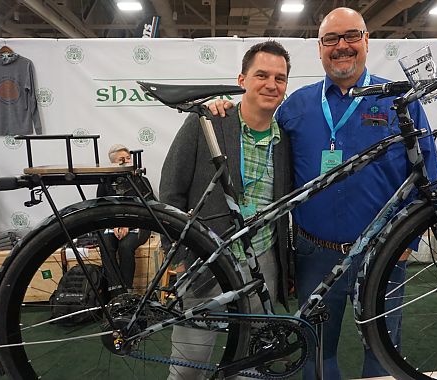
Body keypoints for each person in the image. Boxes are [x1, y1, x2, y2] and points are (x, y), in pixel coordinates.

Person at [210, 8, 437, 379]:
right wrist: (222, 109)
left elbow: (427, 172)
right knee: (317, 351)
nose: (342, 46)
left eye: (351, 36)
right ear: (320, 49)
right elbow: (254, 124)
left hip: (384, 253)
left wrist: (407, 242)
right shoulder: (296, 106)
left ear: (366, 41)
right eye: (331, 39)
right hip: (315, 253)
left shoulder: (398, 100)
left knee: (382, 351)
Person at [159, 40, 294, 380]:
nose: (271, 84)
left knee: (249, 364)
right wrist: (173, 250)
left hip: (262, 260)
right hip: (207, 258)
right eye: (261, 74)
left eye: (279, 78)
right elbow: (172, 187)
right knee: (190, 364)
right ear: (242, 79)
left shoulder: (286, 140)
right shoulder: (208, 122)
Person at [96, 144, 151, 294]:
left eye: (128, 158)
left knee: (125, 246)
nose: (127, 162)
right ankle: (116, 292)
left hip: (139, 223)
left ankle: (127, 290)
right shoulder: (104, 183)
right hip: (113, 225)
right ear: (113, 163)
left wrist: (128, 222)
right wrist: (114, 223)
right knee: (106, 244)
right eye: (122, 160)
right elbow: (100, 208)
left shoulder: (141, 180)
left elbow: (149, 208)